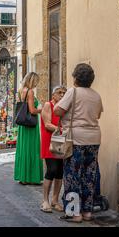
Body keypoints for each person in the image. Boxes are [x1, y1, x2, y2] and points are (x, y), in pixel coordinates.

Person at [54, 63, 103, 223]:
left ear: (75, 78)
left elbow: (58, 111)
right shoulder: (96, 95)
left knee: (72, 175)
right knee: (90, 176)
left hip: (75, 139)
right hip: (94, 138)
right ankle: (87, 212)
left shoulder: (72, 92)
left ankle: (75, 213)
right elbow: (98, 115)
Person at [39, 85, 67, 213]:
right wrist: (63, 130)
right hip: (50, 141)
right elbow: (48, 124)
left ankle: (55, 200)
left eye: (64, 93)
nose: (62, 95)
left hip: (61, 141)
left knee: (60, 171)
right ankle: (45, 200)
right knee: (51, 169)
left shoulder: (63, 108)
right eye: (59, 92)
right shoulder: (48, 105)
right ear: (53, 95)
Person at [14, 72, 43, 185]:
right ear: (32, 81)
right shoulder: (30, 92)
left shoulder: (22, 90)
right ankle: (31, 177)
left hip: (23, 126)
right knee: (32, 150)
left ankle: (23, 177)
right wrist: (41, 108)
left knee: (24, 149)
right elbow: (32, 110)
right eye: (36, 81)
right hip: (31, 125)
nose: (37, 84)